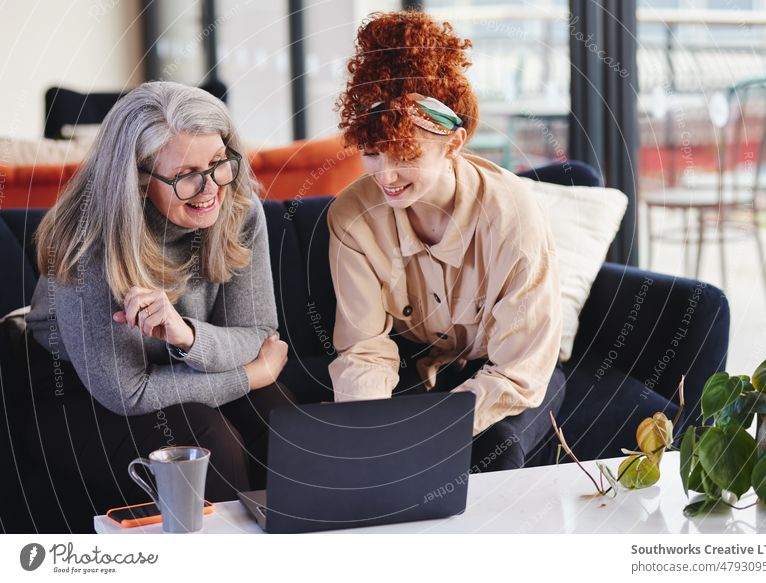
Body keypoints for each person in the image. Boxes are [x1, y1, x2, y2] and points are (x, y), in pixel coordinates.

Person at [21, 81, 292, 505]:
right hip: (73, 384)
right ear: (140, 181)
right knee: (205, 441)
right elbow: (130, 390)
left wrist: (186, 336)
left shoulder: (238, 208)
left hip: (176, 359)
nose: (211, 189)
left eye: (219, 163)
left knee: (279, 420)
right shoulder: (87, 243)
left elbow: (258, 333)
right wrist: (250, 375)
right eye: (186, 177)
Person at [328, 11, 565, 472]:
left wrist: (426, 430)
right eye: (372, 154)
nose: (385, 176)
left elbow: (519, 372)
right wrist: (366, 435)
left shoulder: (513, 216)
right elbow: (364, 350)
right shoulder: (351, 217)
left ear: (453, 144)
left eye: (406, 156)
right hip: (417, 366)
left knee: (491, 448)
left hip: (515, 371)